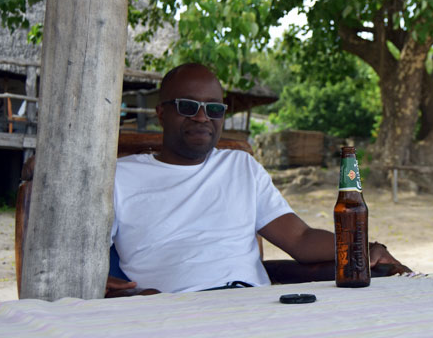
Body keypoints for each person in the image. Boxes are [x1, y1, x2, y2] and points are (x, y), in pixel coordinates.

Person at [108, 63, 405, 295]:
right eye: (187, 106)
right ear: (161, 113)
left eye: (214, 109)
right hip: (164, 309)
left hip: (251, 303)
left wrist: (362, 246)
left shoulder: (241, 167)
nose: (202, 117)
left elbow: (300, 239)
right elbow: (79, 259)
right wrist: (112, 292)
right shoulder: (120, 176)